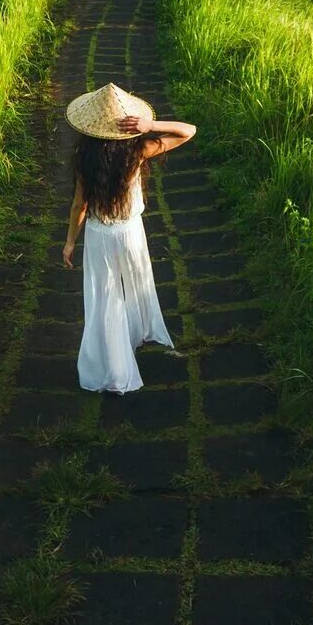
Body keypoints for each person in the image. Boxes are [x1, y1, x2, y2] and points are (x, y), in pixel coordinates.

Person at [61, 83, 197, 393]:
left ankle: (114, 366)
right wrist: (151, 126)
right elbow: (188, 131)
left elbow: (78, 206)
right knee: (137, 284)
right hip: (130, 232)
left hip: (98, 237)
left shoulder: (85, 159)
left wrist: (70, 242)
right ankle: (136, 335)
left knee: (104, 299)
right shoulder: (138, 151)